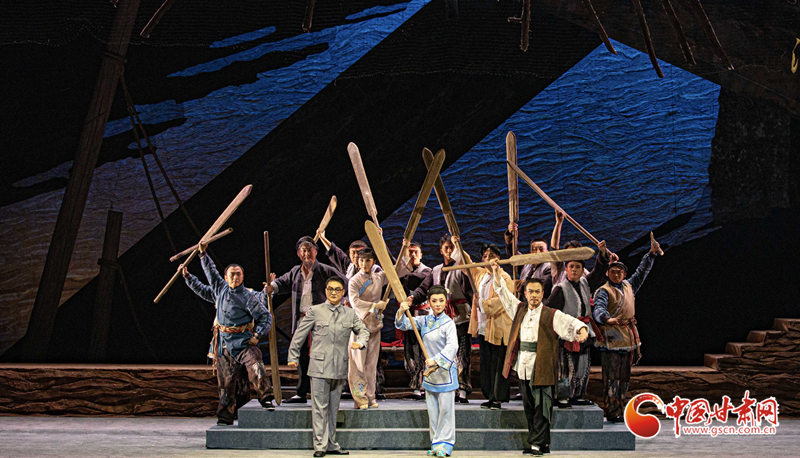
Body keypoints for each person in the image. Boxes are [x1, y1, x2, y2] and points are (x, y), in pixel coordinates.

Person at [492, 260, 589, 456]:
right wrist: (495, 272)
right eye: (531, 292)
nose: (534, 295)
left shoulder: (550, 314)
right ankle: (540, 442)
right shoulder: (519, 309)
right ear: (525, 293)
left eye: (537, 292)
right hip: (523, 366)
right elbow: (504, 294)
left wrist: (581, 329)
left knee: (542, 407)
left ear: (543, 293)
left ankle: (537, 442)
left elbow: (569, 321)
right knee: (529, 407)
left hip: (542, 366)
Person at [182, 244, 274, 425]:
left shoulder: (248, 297)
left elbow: (265, 316)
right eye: (232, 274)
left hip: (244, 343)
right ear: (226, 278)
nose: (235, 277)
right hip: (225, 345)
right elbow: (209, 276)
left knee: (256, 366)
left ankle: (266, 398)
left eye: (238, 274)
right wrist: (197, 262)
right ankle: (225, 417)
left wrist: (257, 335)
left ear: (243, 277)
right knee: (225, 383)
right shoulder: (220, 290)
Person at [288, 276, 369, 457]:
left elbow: (363, 330)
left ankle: (331, 443)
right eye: (330, 289)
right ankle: (320, 446)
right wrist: (293, 356)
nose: (333, 292)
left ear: (343, 292)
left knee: (333, 409)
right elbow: (299, 335)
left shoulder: (349, 313)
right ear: (325, 291)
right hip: (319, 367)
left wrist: (361, 342)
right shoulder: (315, 311)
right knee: (319, 408)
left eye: (337, 289)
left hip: (339, 367)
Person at [269, 236, 346, 403]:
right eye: (303, 251)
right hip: (302, 321)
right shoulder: (295, 272)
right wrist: (271, 287)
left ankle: (327, 391)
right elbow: (281, 283)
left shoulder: (325, 270)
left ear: (315, 252)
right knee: (302, 356)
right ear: (298, 253)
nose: (306, 254)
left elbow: (345, 284)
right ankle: (302, 392)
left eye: (309, 250)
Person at [593, 239, 661, 422]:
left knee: (624, 377)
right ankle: (612, 410)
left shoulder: (628, 286)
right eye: (613, 271)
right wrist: (606, 318)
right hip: (612, 337)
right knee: (612, 377)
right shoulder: (604, 291)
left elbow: (642, 272)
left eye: (619, 272)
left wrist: (651, 254)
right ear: (607, 273)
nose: (616, 274)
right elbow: (598, 309)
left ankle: (621, 408)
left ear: (624, 274)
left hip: (627, 337)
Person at [407, 235, 474, 403]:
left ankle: (462, 389)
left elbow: (470, 291)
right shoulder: (436, 270)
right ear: (441, 251)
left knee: (461, 353)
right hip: (439, 318)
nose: (449, 251)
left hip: (459, 316)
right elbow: (424, 288)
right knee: (439, 352)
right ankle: (441, 386)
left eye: (452, 248)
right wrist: (413, 297)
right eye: (446, 248)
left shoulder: (462, 268)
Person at [546, 240, 610, 408]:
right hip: (566, 333)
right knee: (565, 367)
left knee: (583, 365)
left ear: (582, 270)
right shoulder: (560, 288)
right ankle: (562, 396)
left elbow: (599, 271)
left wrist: (603, 253)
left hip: (584, 330)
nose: (574, 270)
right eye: (571, 267)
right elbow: (550, 312)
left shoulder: (585, 283)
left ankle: (579, 394)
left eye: (578, 267)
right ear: (566, 269)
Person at [396, 285, 458, 457]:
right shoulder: (424, 321)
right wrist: (402, 310)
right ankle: (436, 444)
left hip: (444, 372)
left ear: (445, 302)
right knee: (433, 412)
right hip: (430, 374)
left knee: (446, 412)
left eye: (441, 301)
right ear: (429, 302)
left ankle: (446, 445)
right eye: (434, 301)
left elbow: (452, 346)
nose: (438, 304)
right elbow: (403, 324)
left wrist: (436, 360)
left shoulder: (449, 323)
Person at [456, 239, 515, 410]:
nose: (488, 258)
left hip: (499, 326)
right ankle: (489, 395)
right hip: (484, 327)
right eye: (485, 256)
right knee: (487, 362)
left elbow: (502, 301)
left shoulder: (504, 277)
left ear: (498, 258)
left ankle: (498, 398)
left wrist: (481, 304)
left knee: (498, 362)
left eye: (492, 255)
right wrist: (458, 244)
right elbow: (467, 264)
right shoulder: (481, 274)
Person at [347, 247, 408, 408]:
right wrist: (374, 305)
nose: (364, 263)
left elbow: (398, 270)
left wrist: (404, 248)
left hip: (374, 324)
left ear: (374, 261)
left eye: (368, 260)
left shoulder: (379, 277)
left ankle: (370, 396)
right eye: (361, 260)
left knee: (371, 363)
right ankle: (359, 398)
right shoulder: (354, 281)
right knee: (358, 364)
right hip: (359, 325)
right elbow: (355, 302)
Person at [399, 241, 432, 400]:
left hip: (423, 315)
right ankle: (415, 386)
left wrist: (401, 271)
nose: (412, 255)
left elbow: (414, 280)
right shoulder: (403, 271)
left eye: (415, 252)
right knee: (411, 351)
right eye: (409, 252)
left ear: (421, 254)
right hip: (409, 315)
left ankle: (425, 384)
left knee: (424, 350)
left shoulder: (427, 272)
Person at [504, 222, 553, 298]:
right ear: (530, 252)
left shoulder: (550, 267)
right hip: (522, 303)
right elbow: (513, 255)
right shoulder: (526, 263)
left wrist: (520, 285)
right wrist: (511, 235)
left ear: (547, 251)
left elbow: (543, 286)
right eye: (534, 249)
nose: (538, 252)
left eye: (541, 249)